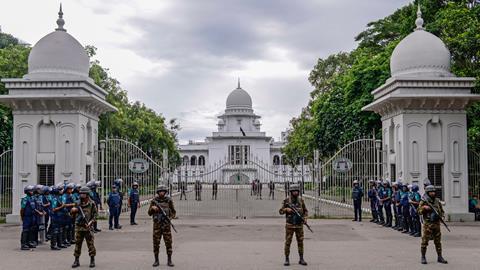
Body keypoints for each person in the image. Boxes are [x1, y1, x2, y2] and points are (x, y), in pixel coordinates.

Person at [279, 184, 308, 266]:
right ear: (291, 192)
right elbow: (280, 211)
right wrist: (286, 209)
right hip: (290, 225)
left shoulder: (301, 201)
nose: (296, 192)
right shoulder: (287, 201)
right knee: (288, 242)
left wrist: (305, 219)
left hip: (299, 225)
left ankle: (301, 259)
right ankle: (287, 259)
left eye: (297, 191)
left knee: (300, 242)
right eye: (294, 191)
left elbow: (305, 211)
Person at [418, 185, 448, 265]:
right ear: (428, 192)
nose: (433, 193)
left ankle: (440, 257)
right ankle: (423, 257)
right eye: (431, 192)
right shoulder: (424, 201)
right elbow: (419, 211)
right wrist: (424, 208)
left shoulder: (437, 201)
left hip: (436, 224)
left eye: (434, 191)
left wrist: (441, 216)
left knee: (438, 241)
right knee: (425, 241)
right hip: (428, 224)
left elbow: (441, 211)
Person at [148, 185, 177, 267]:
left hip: (166, 226)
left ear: (165, 192)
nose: (161, 192)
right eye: (160, 191)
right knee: (156, 243)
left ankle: (169, 260)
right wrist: (152, 208)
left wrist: (169, 218)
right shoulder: (154, 201)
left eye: (163, 191)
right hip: (157, 226)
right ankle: (156, 260)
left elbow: (174, 212)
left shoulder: (169, 200)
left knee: (168, 243)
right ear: (158, 192)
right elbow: (149, 213)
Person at [71, 186, 97, 268]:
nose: (82, 195)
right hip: (79, 227)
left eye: (84, 194)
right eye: (81, 193)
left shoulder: (92, 203)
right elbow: (71, 215)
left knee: (91, 244)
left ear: (87, 194)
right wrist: (73, 211)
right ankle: (76, 260)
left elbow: (95, 215)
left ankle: (92, 260)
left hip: (88, 227)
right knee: (78, 244)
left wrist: (90, 222)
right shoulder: (77, 203)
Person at [48, 186, 66, 250]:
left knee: (60, 230)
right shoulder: (54, 199)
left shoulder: (59, 198)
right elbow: (53, 209)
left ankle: (59, 244)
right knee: (55, 231)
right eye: (60, 190)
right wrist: (62, 206)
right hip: (55, 217)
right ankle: (53, 245)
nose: (62, 191)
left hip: (60, 217)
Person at [20, 185, 37, 250]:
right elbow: (22, 209)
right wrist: (22, 217)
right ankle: (23, 244)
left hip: (32, 216)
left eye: (32, 190)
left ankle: (29, 242)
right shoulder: (25, 199)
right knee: (25, 230)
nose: (32, 192)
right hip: (27, 217)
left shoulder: (32, 198)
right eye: (31, 191)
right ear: (27, 192)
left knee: (31, 230)